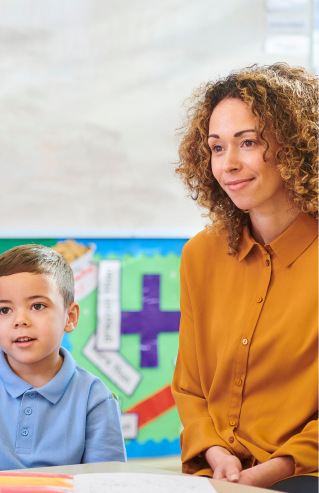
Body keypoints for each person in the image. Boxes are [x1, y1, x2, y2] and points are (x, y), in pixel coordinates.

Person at [172, 63, 318, 492]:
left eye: (248, 143)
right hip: (215, 476)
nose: (229, 164)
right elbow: (190, 387)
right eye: (217, 148)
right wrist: (216, 455)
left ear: (298, 147)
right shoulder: (200, 255)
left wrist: (275, 470)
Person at [0, 244, 126, 470]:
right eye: (5, 310)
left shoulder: (95, 398)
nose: (20, 320)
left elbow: (106, 483)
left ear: (70, 317)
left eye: (37, 305)